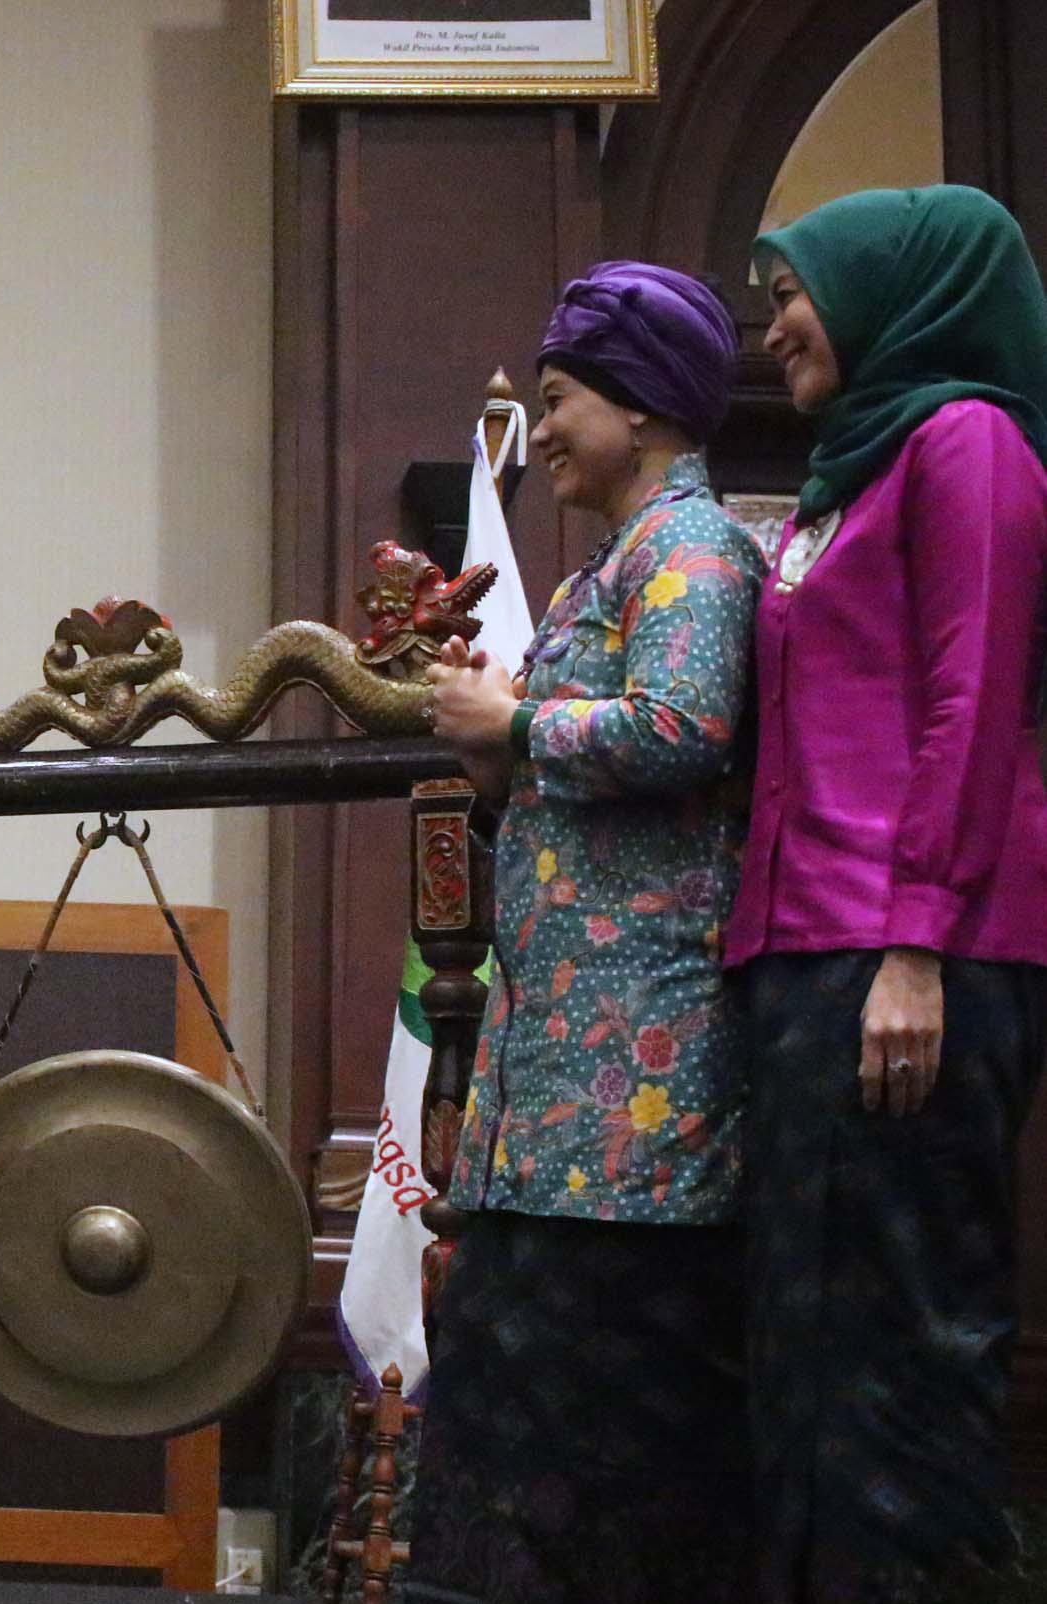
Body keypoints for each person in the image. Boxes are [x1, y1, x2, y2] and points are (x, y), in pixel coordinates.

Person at [406, 263, 764, 1604]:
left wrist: (515, 724)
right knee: (508, 1469)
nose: (542, 429)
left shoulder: (693, 552)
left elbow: (684, 726)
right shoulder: (597, 577)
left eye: (559, 399)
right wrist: (501, 769)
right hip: (551, 1110)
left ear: (643, 405)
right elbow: (587, 810)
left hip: (635, 1127)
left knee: (614, 1485)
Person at [733, 185, 1047, 1604]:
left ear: (886, 292)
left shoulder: (968, 441)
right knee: (803, 1340)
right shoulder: (843, 477)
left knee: (904, 1350)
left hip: (915, 953)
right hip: (807, 952)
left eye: (791, 294)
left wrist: (914, 943)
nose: (773, 328)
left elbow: (972, 703)